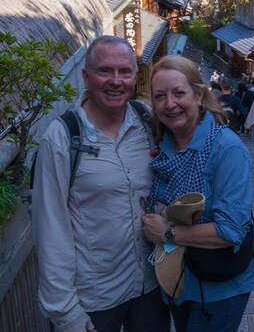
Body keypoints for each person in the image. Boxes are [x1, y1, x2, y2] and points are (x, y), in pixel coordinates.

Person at [32, 36, 170, 332]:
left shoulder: (147, 123)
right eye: (105, 71)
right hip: (94, 300)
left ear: (136, 76)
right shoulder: (62, 138)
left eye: (124, 72)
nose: (116, 81)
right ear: (86, 76)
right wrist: (67, 314)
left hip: (151, 287)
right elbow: (49, 228)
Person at [141, 55, 254, 332]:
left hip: (219, 287)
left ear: (198, 95)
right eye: (160, 96)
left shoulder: (225, 148)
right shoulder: (164, 144)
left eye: (179, 93)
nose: (170, 104)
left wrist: (167, 232)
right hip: (178, 279)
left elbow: (231, 229)